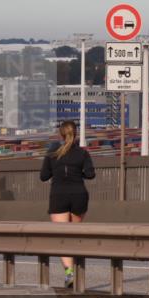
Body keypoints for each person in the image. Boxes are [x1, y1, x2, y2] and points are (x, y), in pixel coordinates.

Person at [40, 121, 95, 288]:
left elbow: (43, 176)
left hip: (59, 195)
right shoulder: (82, 153)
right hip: (79, 194)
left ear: (60, 134)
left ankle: (69, 272)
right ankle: (76, 269)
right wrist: (77, 173)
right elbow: (90, 174)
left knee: (62, 237)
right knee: (74, 235)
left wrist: (56, 170)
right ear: (76, 134)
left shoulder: (52, 153)